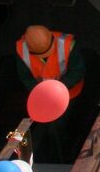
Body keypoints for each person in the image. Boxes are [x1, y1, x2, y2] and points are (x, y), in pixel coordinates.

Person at [15, 24, 88, 161]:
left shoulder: (67, 45)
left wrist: (59, 88)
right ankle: (56, 155)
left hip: (69, 93)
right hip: (43, 97)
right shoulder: (22, 50)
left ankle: (64, 154)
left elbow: (77, 71)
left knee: (64, 125)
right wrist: (40, 93)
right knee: (52, 129)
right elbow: (25, 77)